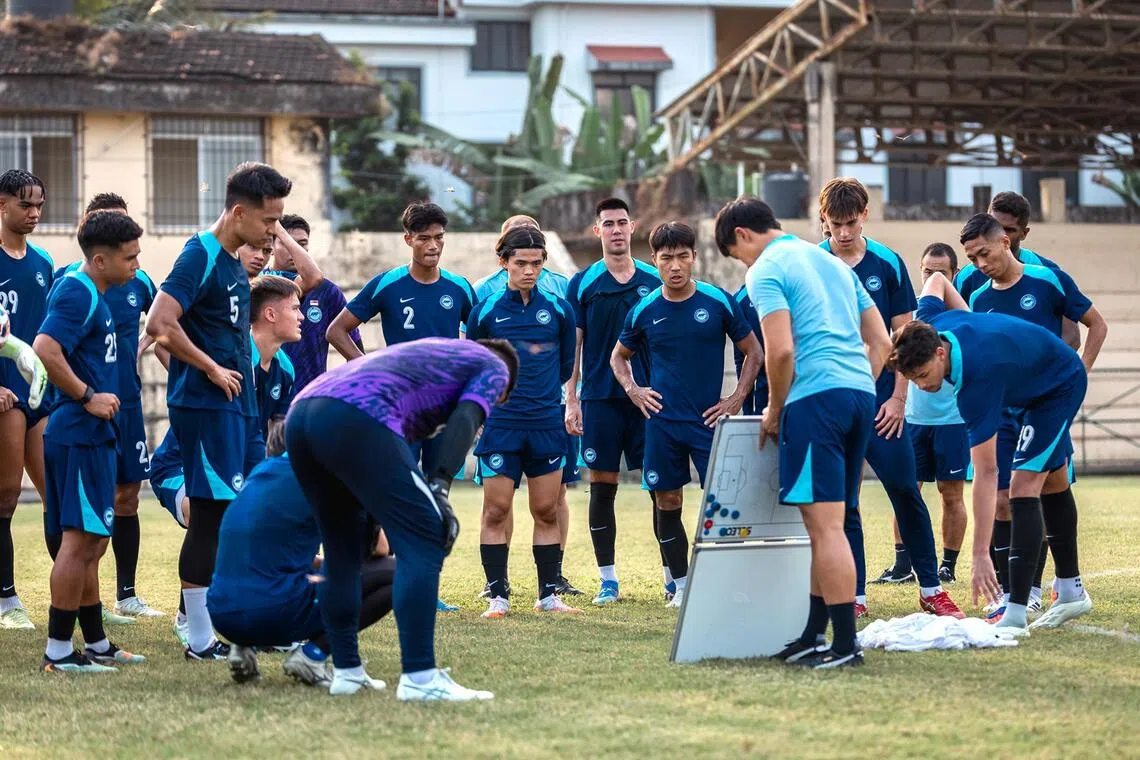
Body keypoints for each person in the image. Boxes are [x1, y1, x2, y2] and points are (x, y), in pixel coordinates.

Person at [286, 336, 518, 700]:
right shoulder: (494, 365)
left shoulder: (433, 366)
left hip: (302, 414)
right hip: (357, 412)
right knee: (428, 535)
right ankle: (420, 678)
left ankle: (346, 671)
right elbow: (467, 415)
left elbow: (383, 462)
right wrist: (440, 485)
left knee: (344, 548)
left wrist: (378, 518)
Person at [716, 197, 891, 669]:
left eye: (738, 257)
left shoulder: (766, 268)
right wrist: (854, 384)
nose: (743, 265)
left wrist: (774, 409)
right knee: (824, 526)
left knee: (826, 527)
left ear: (742, 236)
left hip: (815, 402)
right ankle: (814, 634)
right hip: (859, 394)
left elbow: (781, 351)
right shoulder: (831, 262)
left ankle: (845, 647)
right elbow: (882, 342)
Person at [891, 267, 1093, 638]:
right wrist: (970, 317)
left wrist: (979, 553)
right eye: (913, 380)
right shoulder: (928, 324)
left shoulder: (976, 383)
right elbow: (936, 278)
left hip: (1056, 387)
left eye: (923, 375)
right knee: (1054, 482)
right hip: (1020, 387)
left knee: (1022, 486)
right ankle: (1070, 589)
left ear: (940, 351)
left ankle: (1015, 609)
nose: (922, 385)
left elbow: (984, 474)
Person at [145, 161, 292, 661]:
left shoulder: (232, 261)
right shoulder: (200, 254)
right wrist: (209, 367)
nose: (273, 232)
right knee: (210, 517)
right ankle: (199, 638)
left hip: (238, 410)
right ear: (238, 212)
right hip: (205, 407)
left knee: (238, 515)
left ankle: (237, 624)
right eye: (269, 222)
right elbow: (161, 320)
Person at [816, 178, 962, 619]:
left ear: (865, 215)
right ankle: (854, 596)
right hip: (834, 404)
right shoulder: (812, 264)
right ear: (824, 220)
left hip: (882, 406)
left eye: (850, 222)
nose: (842, 232)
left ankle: (932, 589)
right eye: (834, 224)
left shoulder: (889, 264)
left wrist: (899, 399)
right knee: (846, 503)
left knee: (906, 492)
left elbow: (904, 336)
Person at [959, 212, 1107, 624]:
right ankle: (1067, 587)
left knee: (1023, 491)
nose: (980, 265)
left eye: (984, 253)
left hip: (1045, 404)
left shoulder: (1047, 280)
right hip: (1005, 410)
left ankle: (1021, 599)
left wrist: (1081, 373)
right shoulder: (978, 298)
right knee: (1039, 487)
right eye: (972, 259)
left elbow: (1096, 325)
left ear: (1005, 241)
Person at [611, 222, 761, 610]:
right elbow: (618, 357)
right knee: (668, 501)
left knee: (724, 505)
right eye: (666, 258)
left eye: (682, 256)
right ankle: (678, 586)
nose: (675, 265)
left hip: (709, 423)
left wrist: (735, 398)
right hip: (662, 425)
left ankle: (727, 581)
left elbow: (755, 353)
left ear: (694, 257)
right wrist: (634, 390)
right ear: (655, 262)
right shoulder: (644, 310)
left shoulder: (717, 301)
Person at [33, 210, 148, 672]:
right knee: (79, 543)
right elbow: (45, 347)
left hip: (92, 436)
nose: (137, 265)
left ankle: (96, 643)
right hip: (78, 435)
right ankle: (59, 652)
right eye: (130, 257)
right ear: (100, 260)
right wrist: (86, 396)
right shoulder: (78, 291)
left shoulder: (97, 292)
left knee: (94, 542)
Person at [208, 421, 396, 689]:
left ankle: (243, 645)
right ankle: (313, 655)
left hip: (222, 614)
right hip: (269, 612)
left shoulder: (259, 473)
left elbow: (276, 550)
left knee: (275, 572)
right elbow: (380, 549)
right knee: (396, 573)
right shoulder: (320, 477)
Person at [55, 193, 164, 620]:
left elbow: (163, 321)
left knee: (127, 497)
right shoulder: (73, 284)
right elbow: (49, 346)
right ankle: (83, 610)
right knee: (87, 516)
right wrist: (82, 394)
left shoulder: (140, 282)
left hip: (129, 401)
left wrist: (142, 345)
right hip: (87, 409)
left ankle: (126, 595)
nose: (131, 256)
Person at [466, 227, 578, 618]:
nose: (529, 271)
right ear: (504, 263)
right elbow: (475, 363)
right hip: (502, 425)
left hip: (546, 423)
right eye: (520, 264)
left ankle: (548, 595)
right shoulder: (485, 310)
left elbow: (565, 365)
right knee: (495, 510)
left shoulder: (560, 310)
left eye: (536, 264)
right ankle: (497, 596)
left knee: (547, 510)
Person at [565, 199, 665, 605]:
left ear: (633, 227)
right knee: (601, 487)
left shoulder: (654, 279)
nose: (617, 230)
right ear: (598, 231)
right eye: (608, 224)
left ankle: (671, 577)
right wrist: (570, 398)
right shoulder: (583, 283)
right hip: (600, 399)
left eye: (623, 222)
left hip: (648, 401)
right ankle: (608, 580)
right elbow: (574, 346)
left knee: (662, 489)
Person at [326, 202, 475, 473]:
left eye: (439, 237)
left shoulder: (459, 287)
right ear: (408, 239)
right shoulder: (387, 284)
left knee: (440, 482)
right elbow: (336, 330)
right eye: (424, 238)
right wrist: (370, 368)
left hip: (446, 399)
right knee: (398, 478)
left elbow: (481, 338)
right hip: (402, 401)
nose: (434, 246)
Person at [0, 169, 54, 630]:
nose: (34, 212)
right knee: (6, 494)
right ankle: (6, 601)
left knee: (55, 490)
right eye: (25, 205)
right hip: (4, 395)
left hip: (42, 394)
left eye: (39, 204)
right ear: (2, 206)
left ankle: (76, 591)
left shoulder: (43, 264)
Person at [903, 244, 970, 583]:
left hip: (954, 422)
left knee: (951, 493)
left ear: (955, 275)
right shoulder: (915, 311)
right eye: (928, 271)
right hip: (915, 419)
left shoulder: (961, 316)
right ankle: (902, 564)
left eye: (941, 272)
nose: (934, 278)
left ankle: (949, 564)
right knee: (905, 489)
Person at [955, 191, 1080, 348]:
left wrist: (1047, 366)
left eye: (1008, 229)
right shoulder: (965, 278)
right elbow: (953, 331)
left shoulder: (1047, 271)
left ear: (1024, 233)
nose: (1000, 233)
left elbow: (1072, 337)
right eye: (994, 225)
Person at [264, 214, 361, 392]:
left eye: (302, 244)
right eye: (286, 243)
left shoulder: (328, 291)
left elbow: (355, 349)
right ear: (271, 246)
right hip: (264, 395)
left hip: (310, 395)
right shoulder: (259, 284)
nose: (294, 251)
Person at [248, 275, 302, 442]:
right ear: (271, 314)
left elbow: (278, 437)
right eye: (295, 308)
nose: (301, 317)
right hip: (194, 461)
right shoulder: (234, 359)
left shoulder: (286, 368)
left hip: (247, 454)